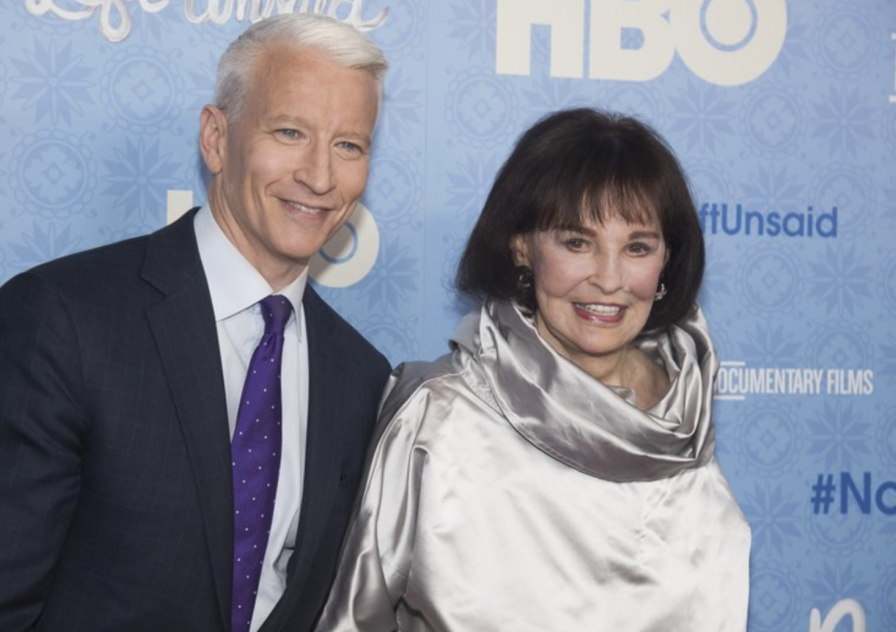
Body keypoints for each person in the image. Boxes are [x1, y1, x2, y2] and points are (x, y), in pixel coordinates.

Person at [0, 14, 391, 632]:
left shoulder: (361, 375)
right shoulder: (60, 320)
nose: (319, 175)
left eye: (349, 145)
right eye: (289, 132)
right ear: (215, 137)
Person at [316, 108, 751, 631]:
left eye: (637, 247)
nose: (609, 279)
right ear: (522, 247)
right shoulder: (438, 415)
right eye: (577, 243)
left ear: (666, 262)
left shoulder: (683, 423)